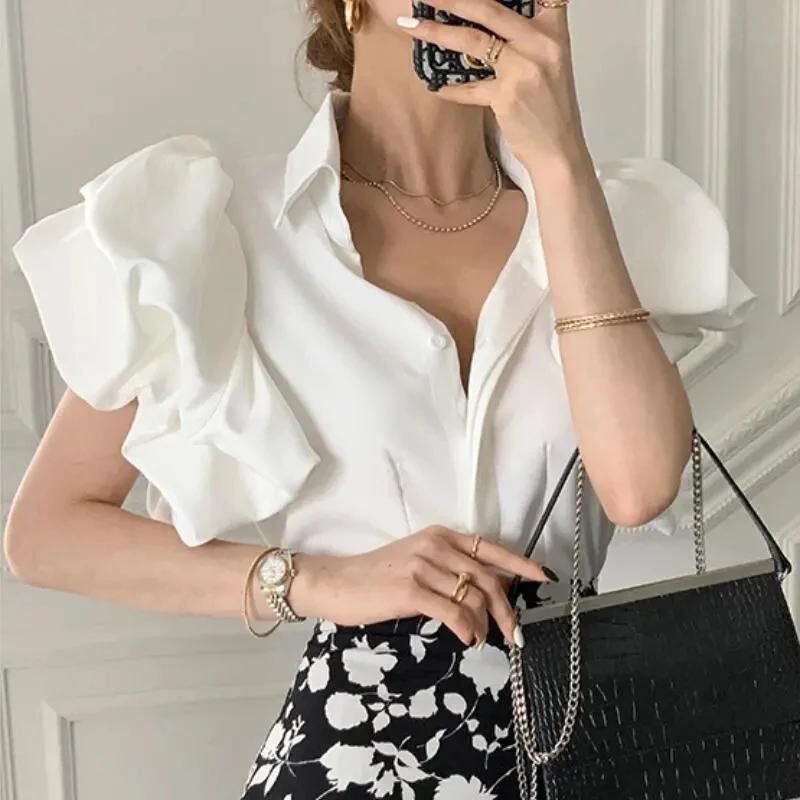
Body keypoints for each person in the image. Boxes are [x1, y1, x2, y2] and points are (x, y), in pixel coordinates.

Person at [6, 0, 756, 796]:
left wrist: (561, 158)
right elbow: (47, 533)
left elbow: (638, 485)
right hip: (355, 760)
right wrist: (312, 580)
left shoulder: (599, 218)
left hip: (575, 744)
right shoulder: (224, 229)